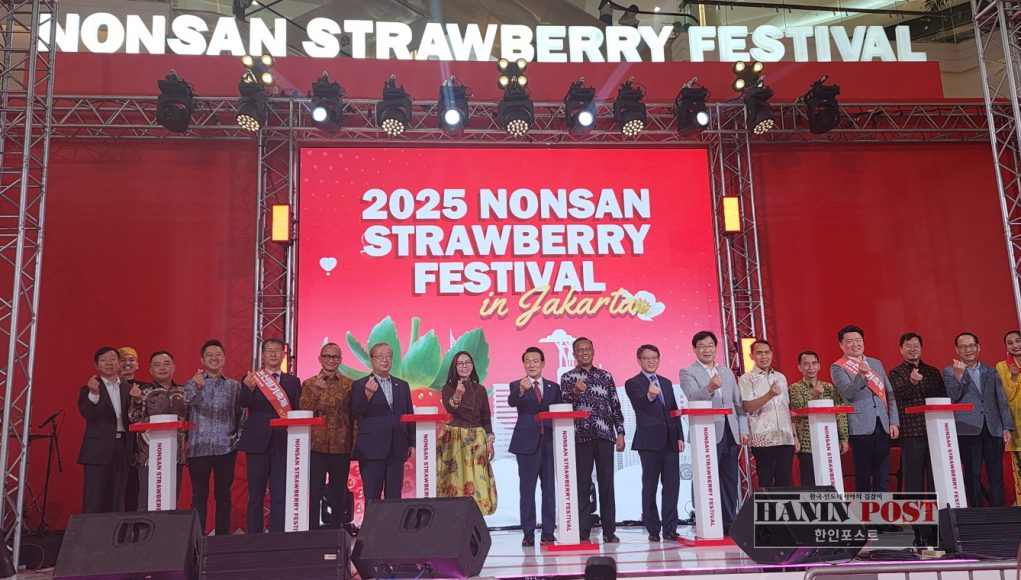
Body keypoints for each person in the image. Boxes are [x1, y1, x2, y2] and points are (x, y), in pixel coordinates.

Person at [679, 330, 748, 533]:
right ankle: (705, 519)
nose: (706, 350)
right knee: (706, 477)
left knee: (729, 478)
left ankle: (728, 523)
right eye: (702, 346)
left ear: (716, 348)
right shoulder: (687, 372)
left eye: (710, 345)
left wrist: (743, 429)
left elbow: (738, 403)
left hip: (730, 432)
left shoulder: (726, 372)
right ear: (695, 349)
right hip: (705, 432)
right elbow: (693, 396)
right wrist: (709, 387)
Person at [561, 337, 625, 543]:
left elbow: (615, 406)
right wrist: (574, 392)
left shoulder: (606, 376)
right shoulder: (568, 377)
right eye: (580, 350)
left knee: (607, 484)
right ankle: (583, 531)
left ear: (593, 350)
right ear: (574, 354)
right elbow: (562, 405)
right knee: (582, 486)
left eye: (587, 349)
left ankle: (609, 531)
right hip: (581, 438)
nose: (584, 352)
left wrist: (620, 432)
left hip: (605, 436)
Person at [944, 332, 1014, 507]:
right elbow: (952, 397)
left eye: (971, 345)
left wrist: (1006, 427)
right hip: (967, 429)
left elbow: (1001, 400)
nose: (968, 350)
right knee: (972, 475)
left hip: (993, 428)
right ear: (957, 350)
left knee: (996, 474)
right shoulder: (950, 371)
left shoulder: (991, 371)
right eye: (963, 346)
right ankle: (976, 514)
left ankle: (998, 513)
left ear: (978, 347)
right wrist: (958, 377)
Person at [239, 338, 302, 533]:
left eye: (277, 350)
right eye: (269, 350)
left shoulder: (293, 382)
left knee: (280, 493)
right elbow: (243, 403)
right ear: (263, 355)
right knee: (255, 495)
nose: (273, 354)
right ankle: (254, 536)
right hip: (257, 441)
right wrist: (248, 389)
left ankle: (277, 535)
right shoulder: (252, 379)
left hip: (282, 442)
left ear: (283, 355)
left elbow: (296, 410)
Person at [624, 344, 684, 542]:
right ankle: (652, 529)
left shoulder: (666, 382)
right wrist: (650, 395)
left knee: (672, 486)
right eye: (647, 358)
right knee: (650, 486)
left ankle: (670, 528)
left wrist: (680, 436)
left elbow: (673, 411)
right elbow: (640, 404)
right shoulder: (632, 383)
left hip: (670, 440)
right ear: (639, 360)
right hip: (649, 442)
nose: (651, 361)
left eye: (654, 358)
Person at [831, 325, 899, 493]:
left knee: (883, 475)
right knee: (863, 475)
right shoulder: (838, 367)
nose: (855, 344)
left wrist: (894, 422)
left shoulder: (876, 363)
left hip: (882, 424)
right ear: (841, 345)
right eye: (849, 341)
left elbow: (889, 394)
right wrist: (861, 375)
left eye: (858, 340)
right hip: (860, 426)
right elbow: (849, 393)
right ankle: (864, 509)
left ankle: (881, 508)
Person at [184, 339, 242, 535]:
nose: (214, 358)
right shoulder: (192, 383)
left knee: (223, 494)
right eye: (209, 355)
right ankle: (197, 537)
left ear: (224, 358)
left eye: (218, 354)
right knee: (199, 495)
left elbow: (240, 415)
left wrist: (237, 439)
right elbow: (188, 401)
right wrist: (196, 386)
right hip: (198, 447)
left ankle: (222, 537)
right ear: (202, 360)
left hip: (226, 447)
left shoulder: (234, 385)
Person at [508, 346, 561, 547]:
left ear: (543, 363)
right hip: (526, 444)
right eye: (527, 361)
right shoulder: (517, 385)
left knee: (549, 490)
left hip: (548, 443)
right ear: (524, 364)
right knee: (527, 490)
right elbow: (512, 401)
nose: (531, 364)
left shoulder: (554, 387)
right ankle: (528, 532)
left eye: (535, 360)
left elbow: (559, 412)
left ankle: (548, 531)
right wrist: (521, 390)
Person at [352, 342, 415, 501]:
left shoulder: (402, 385)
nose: (385, 360)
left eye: (388, 356)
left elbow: (409, 415)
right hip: (371, 448)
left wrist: (412, 443)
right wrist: (367, 394)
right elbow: (355, 412)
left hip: (397, 446)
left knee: (394, 497)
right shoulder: (360, 384)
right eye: (380, 356)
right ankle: (372, 519)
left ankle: (393, 520)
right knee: (372, 496)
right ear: (371, 360)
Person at [301, 342, 354, 530]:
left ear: (340, 360)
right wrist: (316, 392)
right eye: (327, 356)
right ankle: (313, 531)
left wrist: (354, 445)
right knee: (315, 491)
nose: (331, 360)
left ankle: (337, 531)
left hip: (341, 445)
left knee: (338, 492)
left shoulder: (349, 384)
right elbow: (303, 412)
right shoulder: (309, 384)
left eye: (335, 357)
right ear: (320, 359)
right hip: (316, 446)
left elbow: (354, 415)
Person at [438, 351, 497, 515]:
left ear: (472, 366)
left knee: (478, 477)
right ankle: (455, 515)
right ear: (454, 367)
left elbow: (486, 417)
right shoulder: (448, 388)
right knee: (456, 478)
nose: (464, 366)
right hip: (456, 438)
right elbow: (450, 407)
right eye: (460, 363)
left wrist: (490, 440)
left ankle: (477, 515)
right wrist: (458, 393)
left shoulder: (480, 389)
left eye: (468, 363)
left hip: (477, 438)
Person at [127, 350, 187, 511]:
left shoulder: (183, 392)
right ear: (150, 370)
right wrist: (137, 401)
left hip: (176, 456)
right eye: (157, 365)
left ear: (173, 367)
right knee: (146, 503)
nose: (162, 368)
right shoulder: (142, 391)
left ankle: (167, 529)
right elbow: (133, 418)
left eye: (166, 364)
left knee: (170, 502)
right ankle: (144, 528)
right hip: (149, 457)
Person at [888, 333, 946, 495]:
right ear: (901, 349)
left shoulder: (933, 372)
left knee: (938, 478)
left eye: (916, 346)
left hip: (935, 432)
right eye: (908, 346)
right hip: (912, 433)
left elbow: (943, 398)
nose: (912, 349)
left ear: (921, 349)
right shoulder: (896, 373)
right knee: (914, 479)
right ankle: (916, 512)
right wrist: (912, 382)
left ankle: (941, 511)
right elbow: (898, 396)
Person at [78, 346, 132, 513]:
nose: (109, 363)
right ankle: (90, 530)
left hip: (122, 447)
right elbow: (87, 414)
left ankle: (112, 529)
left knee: (116, 498)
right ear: (97, 365)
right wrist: (94, 394)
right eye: (104, 360)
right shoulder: (88, 388)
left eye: (113, 359)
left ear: (119, 363)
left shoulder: (128, 388)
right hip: (98, 450)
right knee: (94, 498)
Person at [739, 340, 795, 488]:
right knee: (766, 484)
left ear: (771, 354)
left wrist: (794, 435)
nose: (764, 356)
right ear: (751, 356)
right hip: (763, 440)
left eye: (766, 352)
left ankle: (783, 505)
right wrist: (769, 394)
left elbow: (787, 408)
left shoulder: (781, 377)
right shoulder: (747, 379)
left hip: (785, 438)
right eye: (759, 353)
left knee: (785, 484)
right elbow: (748, 407)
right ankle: (767, 505)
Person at [788, 351, 849, 486]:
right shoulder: (795, 388)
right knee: (809, 484)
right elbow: (797, 412)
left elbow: (840, 413)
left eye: (814, 363)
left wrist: (843, 438)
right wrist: (814, 395)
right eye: (806, 364)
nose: (811, 367)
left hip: (829, 442)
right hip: (807, 444)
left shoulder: (829, 388)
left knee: (830, 481)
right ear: (799, 367)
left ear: (819, 366)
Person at [994, 330, 1021, 505]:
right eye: (1010, 343)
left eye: (1018, 341)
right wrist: (1013, 376)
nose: (1015, 345)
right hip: (1017, 429)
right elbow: (1006, 397)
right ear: (1005, 347)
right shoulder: (1002, 367)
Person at [119, 346, 143, 512]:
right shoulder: (108, 387)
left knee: (134, 491)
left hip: (137, 447)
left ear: (137, 365)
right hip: (114, 446)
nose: (127, 363)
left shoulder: (145, 388)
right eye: (123, 360)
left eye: (131, 360)